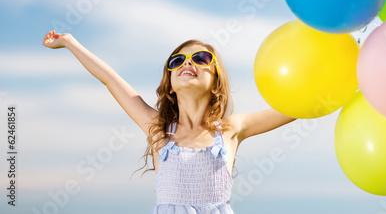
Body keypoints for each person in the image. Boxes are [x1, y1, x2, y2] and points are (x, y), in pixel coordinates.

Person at [42, 30, 295, 213]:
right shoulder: (158, 130)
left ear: (217, 82)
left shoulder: (231, 129)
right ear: (170, 86)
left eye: (201, 58)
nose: (188, 63)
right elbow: (109, 78)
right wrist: (69, 42)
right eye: (177, 61)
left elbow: (295, 109)